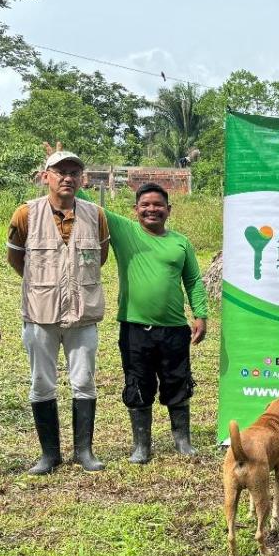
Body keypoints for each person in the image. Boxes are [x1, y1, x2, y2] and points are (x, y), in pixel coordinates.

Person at [7, 146, 110, 474]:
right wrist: (46, 286)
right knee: (41, 382)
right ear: (45, 177)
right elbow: (16, 259)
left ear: (82, 179)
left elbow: (100, 257)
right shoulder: (26, 214)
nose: (67, 178)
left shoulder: (96, 214)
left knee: (84, 381)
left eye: (74, 173)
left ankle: (84, 452)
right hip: (40, 313)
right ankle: (49, 455)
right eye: (60, 172)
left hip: (83, 313)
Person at [96, 182, 209, 464]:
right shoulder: (124, 231)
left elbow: (193, 280)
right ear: (135, 209)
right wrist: (63, 174)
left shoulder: (181, 242)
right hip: (135, 328)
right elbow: (87, 203)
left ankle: (182, 440)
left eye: (158, 205)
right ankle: (141, 445)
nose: (151, 209)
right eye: (145, 205)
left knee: (178, 380)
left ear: (169, 209)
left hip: (175, 329)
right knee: (137, 382)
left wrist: (200, 314)